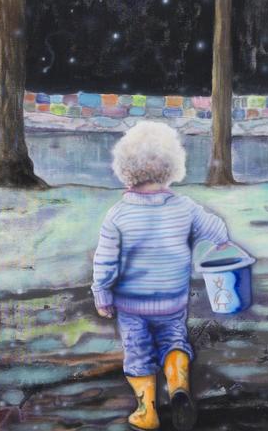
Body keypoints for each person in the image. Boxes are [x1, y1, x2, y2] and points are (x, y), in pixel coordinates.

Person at [92, 121, 232, 431]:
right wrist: (222, 242)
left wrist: (102, 294)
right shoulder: (185, 207)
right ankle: (178, 386)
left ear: (125, 168)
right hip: (172, 299)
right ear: (172, 166)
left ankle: (147, 412)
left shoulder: (118, 214)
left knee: (137, 352)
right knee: (174, 340)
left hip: (131, 304)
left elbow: (105, 260)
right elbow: (216, 228)